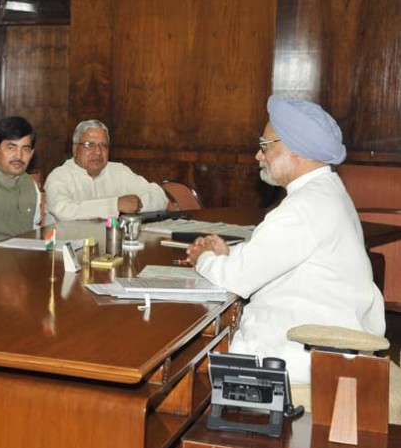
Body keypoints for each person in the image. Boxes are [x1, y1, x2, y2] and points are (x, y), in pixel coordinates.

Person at [186, 95, 385, 386]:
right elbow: (279, 257)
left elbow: (233, 279)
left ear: (296, 150)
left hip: (300, 361)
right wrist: (229, 252)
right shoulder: (326, 192)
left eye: (265, 145)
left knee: (187, 367)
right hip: (324, 348)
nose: (258, 155)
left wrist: (203, 256)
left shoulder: (304, 207)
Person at [44, 119, 168, 221]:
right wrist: (115, 205)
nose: (98, 152)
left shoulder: (119, 171)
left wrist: (136, 204)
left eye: (103, 146)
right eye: (90, 145)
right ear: (75, 149)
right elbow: (63, 210)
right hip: (67, 247)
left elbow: (160, 197)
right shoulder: (59, 176)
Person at [0, 116, 41, 242]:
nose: (19, 156)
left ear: (31, 154)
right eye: (11, 147)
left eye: (25, 149)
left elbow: (34, 227)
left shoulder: (31, 185)